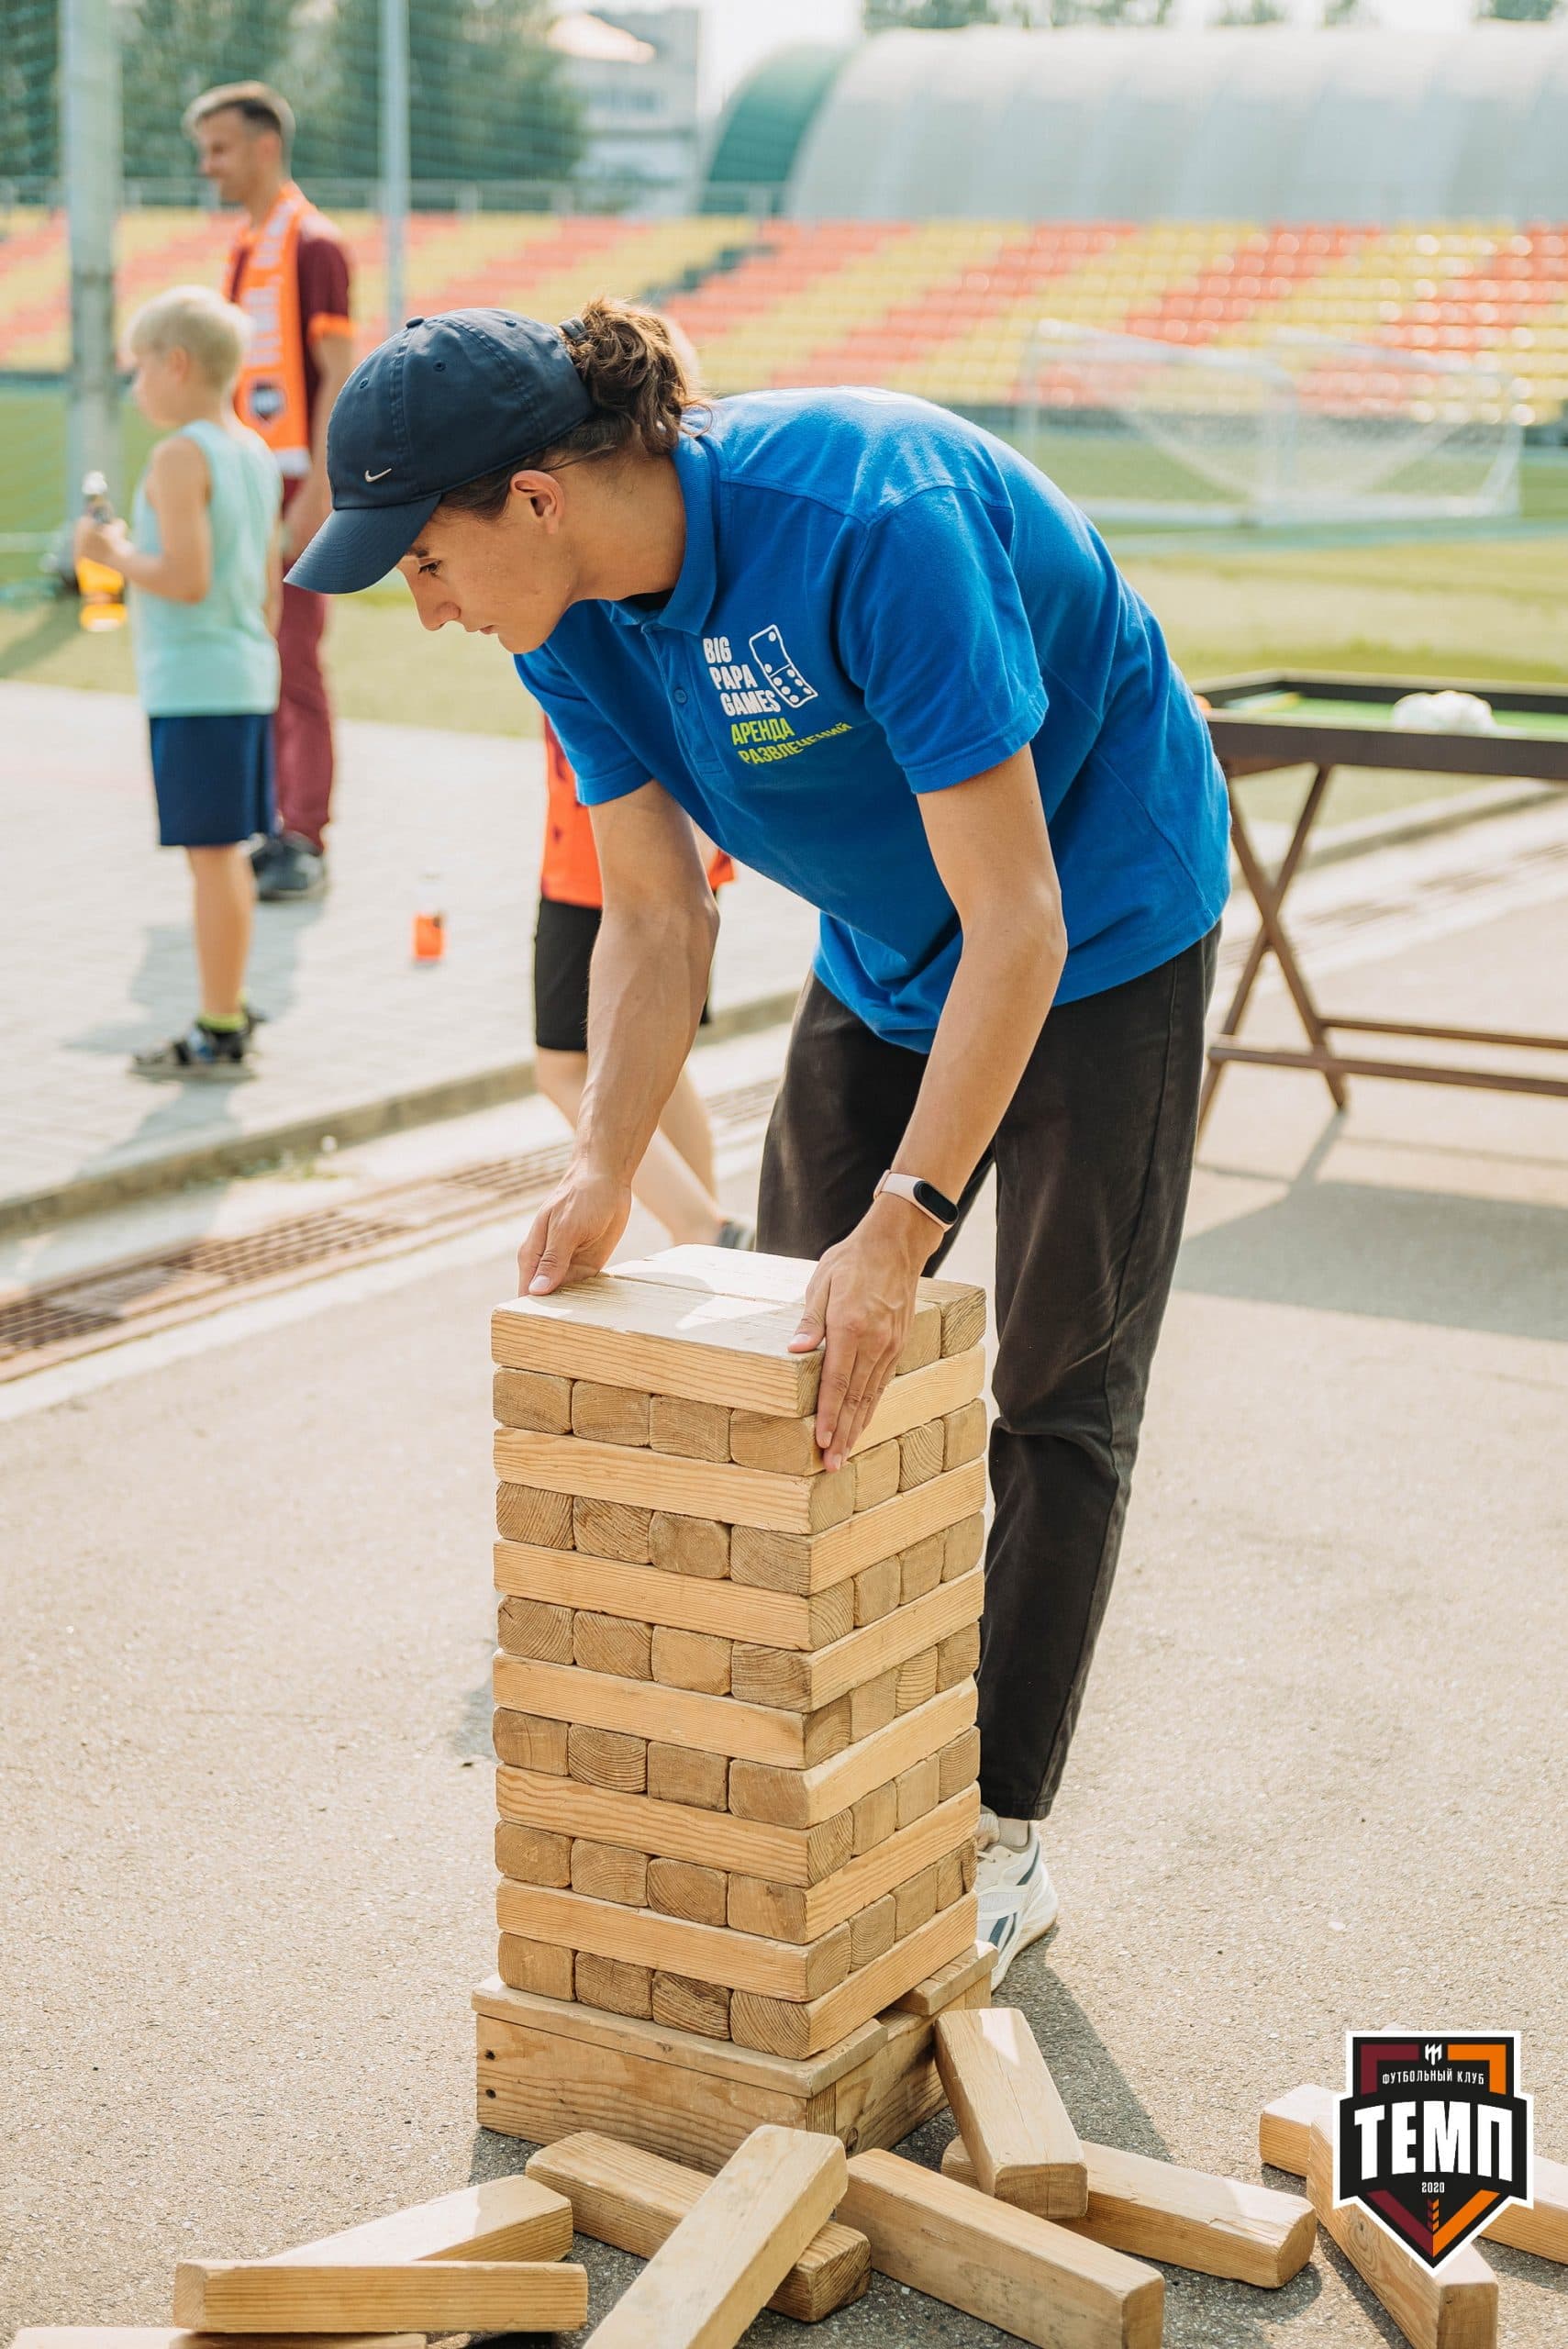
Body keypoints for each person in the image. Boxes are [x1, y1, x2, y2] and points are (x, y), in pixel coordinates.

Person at [288, 300, 1232, 1987]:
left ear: (535, 498)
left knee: (1052, 1393)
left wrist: (906, 1217)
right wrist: (602, 1160)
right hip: (888, 952)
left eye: (424, 562)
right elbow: (655, 914)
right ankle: (834, 1787)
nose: (424, 609)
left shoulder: (869, 519)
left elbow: (1017, 921)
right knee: (800, 1366)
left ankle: (992, 1834)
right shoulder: (562, 625)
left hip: (1096, 926)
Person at [75, 286, 281, 1078]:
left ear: (178, 364)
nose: (135, 387)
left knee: (211, 857)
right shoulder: (251, 448)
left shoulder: (179, 454)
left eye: (139, 369)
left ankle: (218, 1025)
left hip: (198, 683)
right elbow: (263, 584)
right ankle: (229, 998)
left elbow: (186, 578)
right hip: (242, 672)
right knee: (222, 854)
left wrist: (111, 553)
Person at [185, 79, 355, 902]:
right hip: (249, 483)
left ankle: (305, 838)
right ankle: (271, 823)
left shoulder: (313, 244)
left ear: (264, 146)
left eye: (218, 149)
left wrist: (317, 490)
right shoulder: (246, 245)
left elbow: (338, 373)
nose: (207, 166)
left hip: (294, 486)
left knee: (293, 660)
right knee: (252, 657)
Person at [536, 717, 753, 1250]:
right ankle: (706, 1240)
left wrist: (697, 840)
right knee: (654, 1055)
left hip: (613, 860)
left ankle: (707, 1230)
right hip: (625, 845)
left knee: (564, 1067)